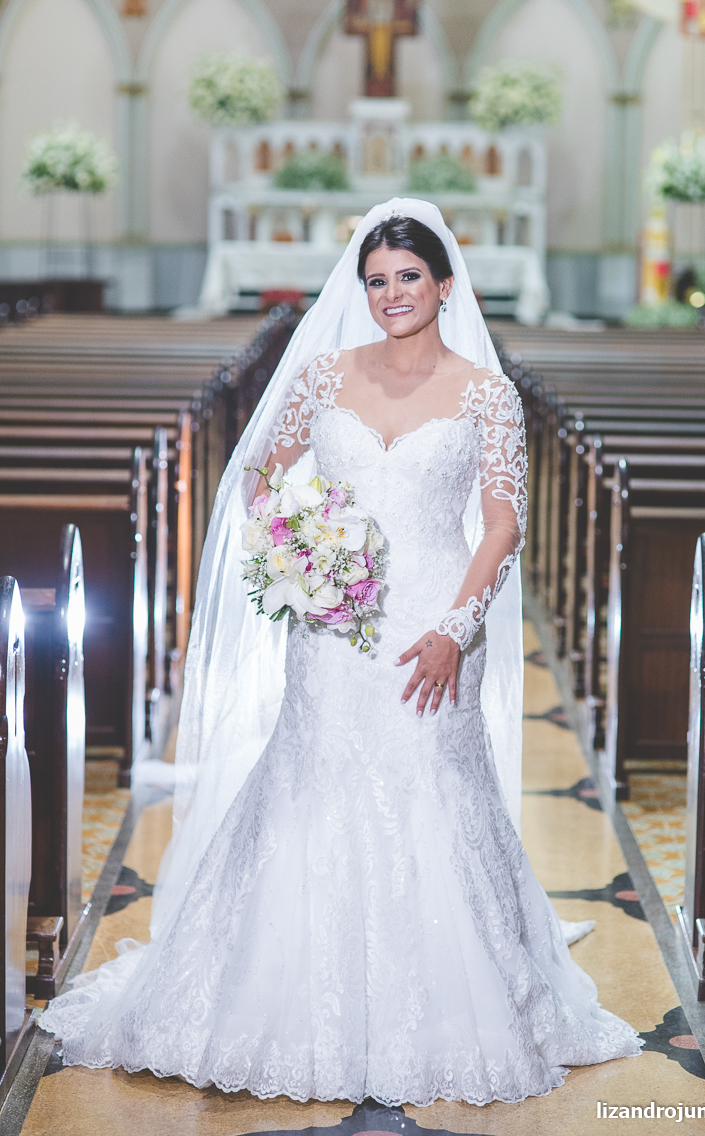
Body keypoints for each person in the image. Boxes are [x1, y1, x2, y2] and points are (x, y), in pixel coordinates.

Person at [41, 199, 641, 1105]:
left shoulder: (486, 394)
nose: (392, 294)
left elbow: (501, 524)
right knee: (314, 775)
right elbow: (259, 475)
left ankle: (448, 1004)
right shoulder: (324, 375)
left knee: (432, 784)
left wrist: (456, 627)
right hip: (331, 620)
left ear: (444, 285)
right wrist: (298, 547)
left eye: (409, 277)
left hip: (435, 620)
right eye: (376, 281)